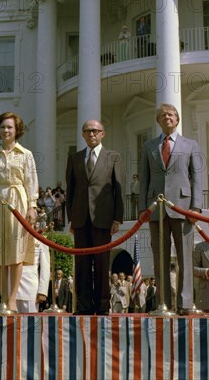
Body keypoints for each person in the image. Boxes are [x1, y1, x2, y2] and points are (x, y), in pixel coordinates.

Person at [138, 103, 203, 315]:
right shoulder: (149, 146)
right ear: (158, 121)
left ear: (177, 119)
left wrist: (196, 207)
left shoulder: (190, 144)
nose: (167, 117)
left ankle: (185, 305)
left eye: (171, 114)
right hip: (156, 209)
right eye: (163, 115)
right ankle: (162, 304)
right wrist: (142, 208)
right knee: (160, 259)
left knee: (185, 257)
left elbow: (197, 178)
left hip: (183, 208)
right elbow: (144, 179)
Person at [66, 119, 125, 315]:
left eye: (95, 131)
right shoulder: (75, 158)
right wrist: (71, 219)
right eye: (87, 131)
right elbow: (71, 190)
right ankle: (82, 306)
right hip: (81, 218)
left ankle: (102, 306)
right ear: (83, 135)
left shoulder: (112, 157)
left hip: (103, 218)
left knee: (102, 263)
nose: (91, 134)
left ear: (103, 134)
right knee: (82, 264)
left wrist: (117, 218)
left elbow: (119, 188)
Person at [0, 112, 38, 312]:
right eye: (3, 127)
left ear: (17, 130)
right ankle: (2, 298)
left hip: (18, 200)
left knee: (16, 252)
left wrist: (32, 206)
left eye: (10, 127)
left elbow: (31, 182)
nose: (6, 130)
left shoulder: (26, 154)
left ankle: (12, 299)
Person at [16, 239, 50, 313]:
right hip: (12, 287)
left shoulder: (40, 240)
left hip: (30, 288)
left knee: (30, 322)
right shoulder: (13, 237)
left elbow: (45, 267)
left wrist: (42, 291)